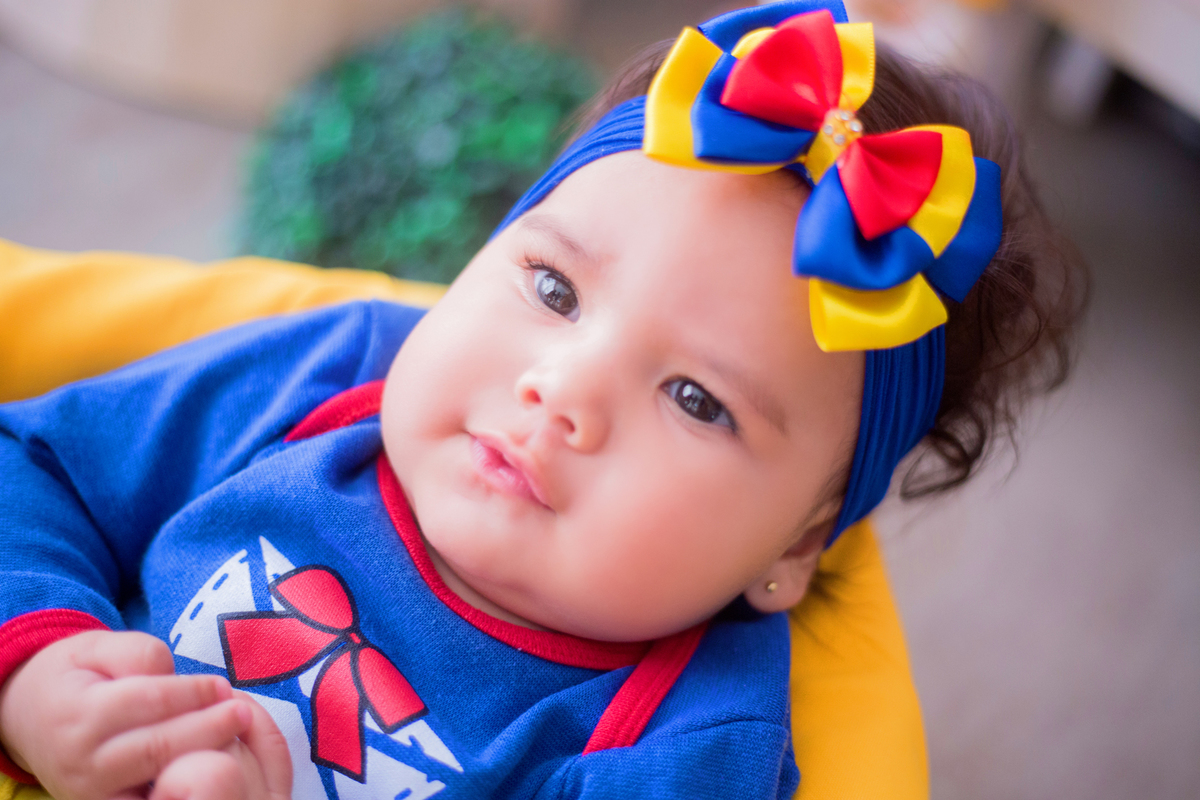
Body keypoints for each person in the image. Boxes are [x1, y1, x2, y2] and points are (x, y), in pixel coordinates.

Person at [0, 2, 1084, 799]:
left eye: (698, 399)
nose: (563, 391)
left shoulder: (680, 746)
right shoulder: (321, 376)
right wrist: (39, 666)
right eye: (555, 288)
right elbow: (35, 462)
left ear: (796, 549)